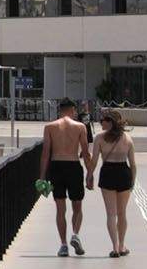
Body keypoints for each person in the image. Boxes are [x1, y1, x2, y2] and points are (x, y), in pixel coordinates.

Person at [40, 98, 91, 256]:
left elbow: (45, 153)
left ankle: (63, 245)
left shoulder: (50, 127)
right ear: (72, 110)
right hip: (73, 166)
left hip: (56, 167)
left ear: (60, 110)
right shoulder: (80, 126)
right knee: (78, 206)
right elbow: (85, 152)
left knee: (60, 209)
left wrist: (42, 177)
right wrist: (90, 173)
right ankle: (75, 234)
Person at [90, 108, 138, 257]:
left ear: (109, 122)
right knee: (122, 213)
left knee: (111, 214)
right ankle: (122, 245)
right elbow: (133, 164)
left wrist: (89, 175)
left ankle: (115, 247)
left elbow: (94, 160)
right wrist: (133, 182)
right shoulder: (127, 139)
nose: (100, 123)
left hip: (108, 173)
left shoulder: (99, 138)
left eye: (102, 121)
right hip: (124, 172)